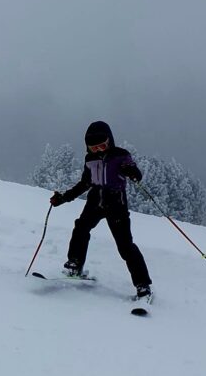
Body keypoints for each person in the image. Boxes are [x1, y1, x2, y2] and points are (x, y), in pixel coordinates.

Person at [49, 121, 152, 300]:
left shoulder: (120, 155)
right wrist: (64, 198)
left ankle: (143, 285)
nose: (98, 150)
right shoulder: (90, 160)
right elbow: (85, 183)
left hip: (116, 202)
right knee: (81, 228)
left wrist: (131, 170)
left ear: (109, 141)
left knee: (125, 246)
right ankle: (75, 264)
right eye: (93, 148)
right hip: (95, 200)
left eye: (102, 146)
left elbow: (136, 175)